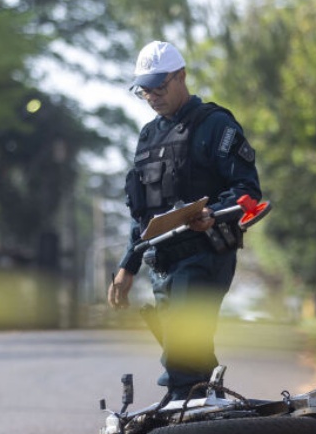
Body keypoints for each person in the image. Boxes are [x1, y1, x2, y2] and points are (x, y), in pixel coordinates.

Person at [107, 40, 262, 403]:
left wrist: (213, 213)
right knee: (189, 354)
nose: (152, 96)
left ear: (182, 76)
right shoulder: (148, 135)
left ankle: (178, 423)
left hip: (204, 257)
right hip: (162, 262)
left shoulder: (215, 125)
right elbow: (145, 216)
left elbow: (248, 192)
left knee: (180, 353)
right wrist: (127, 267)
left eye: (159, 86)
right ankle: (217, 429)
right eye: (144, 89)